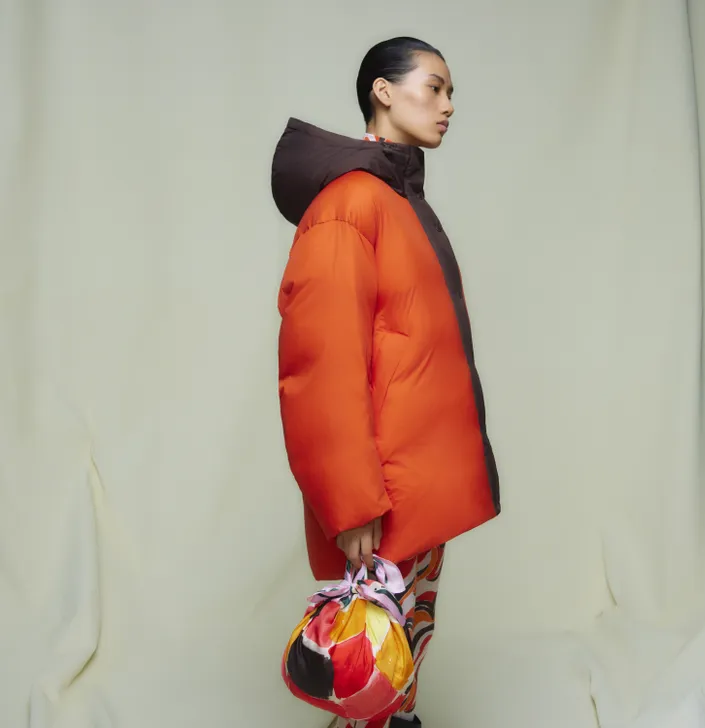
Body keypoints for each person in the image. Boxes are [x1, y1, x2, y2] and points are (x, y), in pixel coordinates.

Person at [271, 37, 501, 728]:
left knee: (399, 656)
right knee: (365, 660)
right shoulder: (350, 204)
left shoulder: (397, 200)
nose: (448, 105)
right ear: (383, 91)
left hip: (417, 481)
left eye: (451, 92)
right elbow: (321, 363)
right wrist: (351, 503)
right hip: (381, 496)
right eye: (434, 87)